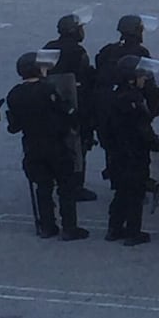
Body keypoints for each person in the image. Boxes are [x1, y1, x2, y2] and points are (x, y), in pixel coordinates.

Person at [5, 50, 87, 240]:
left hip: (32, 145)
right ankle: (69, 227)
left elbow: (14, 126)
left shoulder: (15, 94)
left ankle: (47, 225)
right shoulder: (48, 89)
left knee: (43, 187)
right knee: (66, 187)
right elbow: (67, 112)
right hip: (56, 144)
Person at [98, 55, 159, 245]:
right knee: (135, 193)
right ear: (131, 78)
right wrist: (155, 143)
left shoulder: (112, 96)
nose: (144, 79)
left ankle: (114, 228)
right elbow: (143, 128)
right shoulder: (133, 99)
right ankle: (133, 232)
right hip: (134, 154)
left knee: (121, 193)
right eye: (141, 75)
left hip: (117, 154)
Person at [44, 12, 99, 201]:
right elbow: (85, 81)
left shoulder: (49, 48)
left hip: (51, 105)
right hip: (75, 104)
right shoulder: (78, 52)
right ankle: (75, 185)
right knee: (78, 147)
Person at [94, 14, 158, 115]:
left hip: (107, 104)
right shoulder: (141, 52)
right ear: (137, 32)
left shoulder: (108, 50)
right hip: (131, 105)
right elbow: (149, 83)